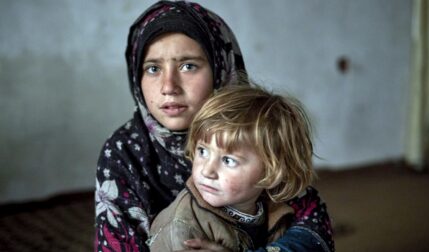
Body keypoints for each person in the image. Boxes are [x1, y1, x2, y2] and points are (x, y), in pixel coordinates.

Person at [94, 1, 334, 251]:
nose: (168, 86)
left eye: (188, 66)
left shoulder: (257, 129)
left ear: (220, 67)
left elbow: (314, 230)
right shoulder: (123, 152)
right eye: (153, 68)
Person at [147, 84, 318, 251]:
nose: (207, 171)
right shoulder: (183, 228)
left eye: (228, 161)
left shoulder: (276, 213)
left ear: (271, 175)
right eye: (202, 151)